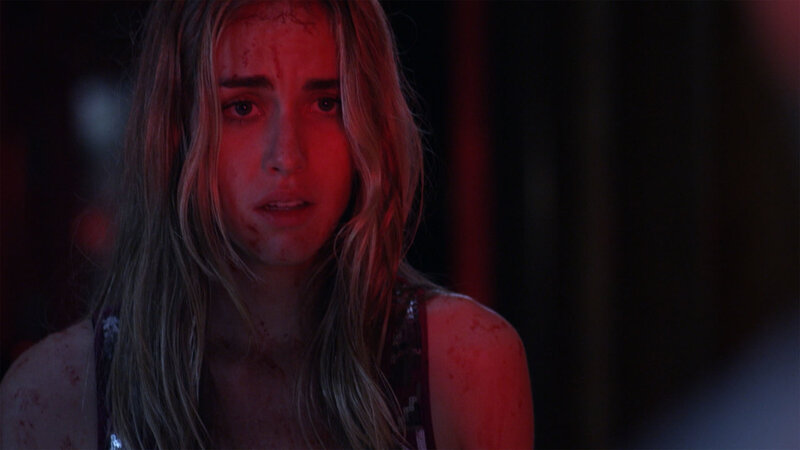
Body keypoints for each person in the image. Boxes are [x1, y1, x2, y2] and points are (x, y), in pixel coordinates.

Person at [0, 1, 533, 448]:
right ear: (176, 132)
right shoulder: (54, 397)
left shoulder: (463, 369)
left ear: (369, 123)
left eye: (326, 103)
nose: (287, 156)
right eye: (242, 108)